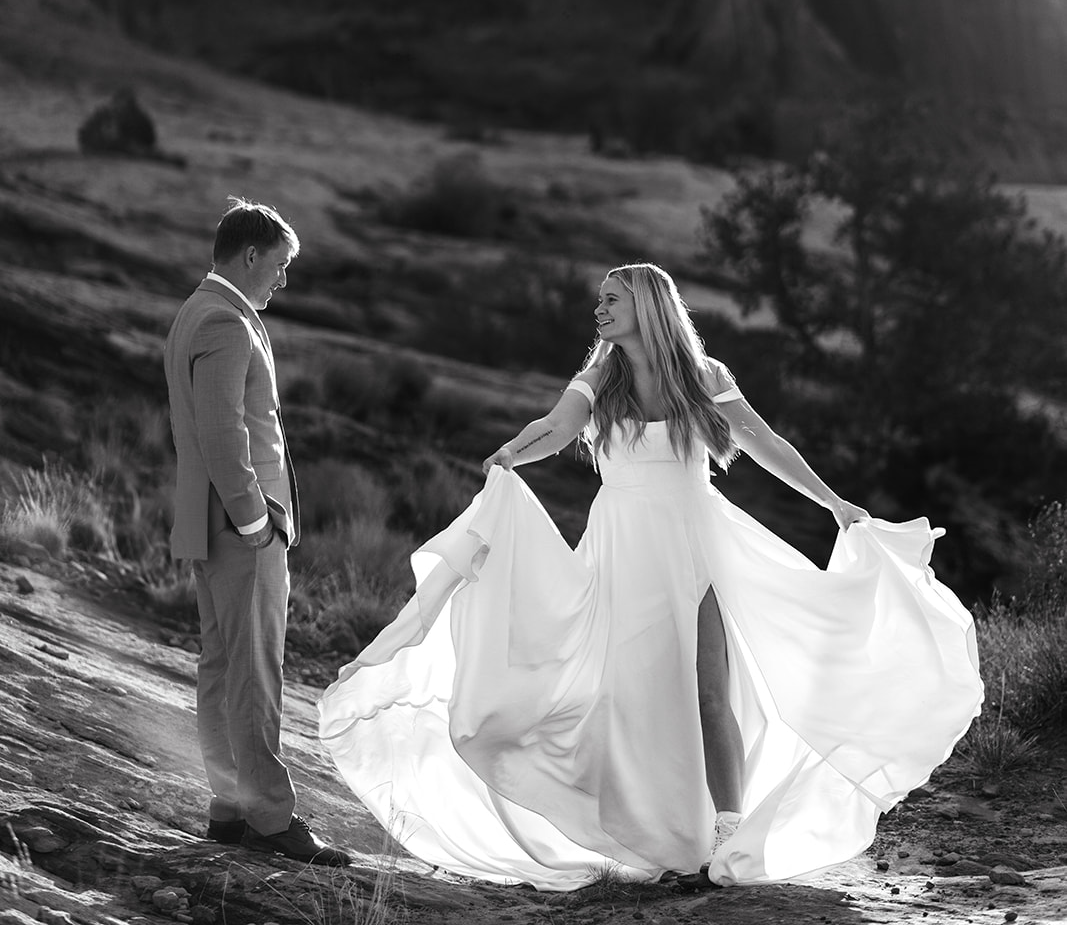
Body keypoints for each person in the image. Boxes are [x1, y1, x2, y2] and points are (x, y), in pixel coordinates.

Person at [319, 263, 982, 889]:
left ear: (648, 306)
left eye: (612, 298)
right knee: (626, 691)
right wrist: (511, 457)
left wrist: (833, 502)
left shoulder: (703, 375)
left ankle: (726, 831)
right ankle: (640, 834)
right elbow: (556, 427)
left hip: (698, 541)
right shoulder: (599, 378)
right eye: (599, 299)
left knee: (709, 690)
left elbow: (766, 444)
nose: (598, 308)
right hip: (624, 544)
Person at [166, 197, 350, 866]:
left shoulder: (199, 311)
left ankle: (230, 809)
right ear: (250, 255)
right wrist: (255, 520)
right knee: (255, 674)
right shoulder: (223, 320)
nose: (282, 280)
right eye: (278, 266)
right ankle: (270, 820)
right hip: (239, 531)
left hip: (207, 526)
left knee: (221, 670)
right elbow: (223, 435)